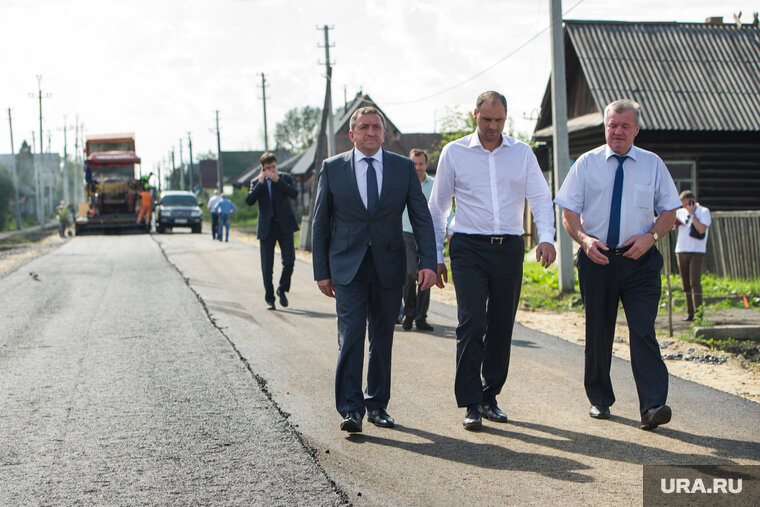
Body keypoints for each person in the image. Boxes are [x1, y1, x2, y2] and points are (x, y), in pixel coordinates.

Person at [428, 91, 557, 431]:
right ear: (475, 116)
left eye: (499, 121)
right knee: (472, 323)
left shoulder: (521, 153)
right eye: (487, 120)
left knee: (501, 325)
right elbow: (438, 207)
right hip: (468, 247)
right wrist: (435, 254)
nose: (493, 127)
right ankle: (470, 402)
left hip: (509, 248)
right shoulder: (453, 152)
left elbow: (541, 198)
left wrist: (546, 237)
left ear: (506, 118)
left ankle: (489, 395)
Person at [554, 98, 680, 430]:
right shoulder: (586, 163)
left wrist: (650, 237)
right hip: (598, 260)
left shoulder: (652, 164)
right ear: (605, 126)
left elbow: (669, 212)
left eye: (625, 126)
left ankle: (653, 406)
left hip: (641, 262)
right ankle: (599, 399)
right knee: (599, 331)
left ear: (636, 129)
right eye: (613, 125)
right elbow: (568, 212)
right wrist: (584, 240)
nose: (618, 131)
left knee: (643, 330)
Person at [312, 106, 437, 433]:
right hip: (347, 267)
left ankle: (377, 405)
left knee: (382, 338)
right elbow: (321, 223)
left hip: (389, 265)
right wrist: (321, 270)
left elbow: (421, 217)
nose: (371, 132)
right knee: (351, 335)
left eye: (376, 127)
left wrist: (428, 262)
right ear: (352, 134)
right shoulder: (332, 168)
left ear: (384, 133)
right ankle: (351, 408)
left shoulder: (403, 168)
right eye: (364, 127)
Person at [245, 152, 299, 311]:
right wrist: (261, 182)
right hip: (267, 228)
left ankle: (282, 289)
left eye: (273, 167)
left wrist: (278, 180)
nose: (271, 170)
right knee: (267, 267)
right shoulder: (256, 181)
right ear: (262, 168)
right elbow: (249, 201)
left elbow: (294, 193)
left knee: (289, 261)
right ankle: (270, 298)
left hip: (285, 225)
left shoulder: (284, 178)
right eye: (268, 168)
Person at [401, 149, 436, 332]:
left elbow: (443, 208)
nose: (417, 167)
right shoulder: (402, 182)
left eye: (420, 164)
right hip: (405, 233)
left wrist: (449, 231)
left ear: (426, 165)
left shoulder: (434, 185)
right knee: (408, 275)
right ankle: (409, 313)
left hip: (426, 235)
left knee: (426, 274)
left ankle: (421, 317)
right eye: (414, 164)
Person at [674, 190, 711, 321]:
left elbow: (701, 229)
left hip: (697, 251)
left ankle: (699, 313)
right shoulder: (680, 212)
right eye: (682, 205)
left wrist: (692, 215)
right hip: (681, 250)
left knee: (695, 282)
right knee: (685, 284)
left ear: (692, 201)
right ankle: (690, 313)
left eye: (686, 204)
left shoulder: (703, 211)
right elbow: (672, 226)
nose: (684, 207)